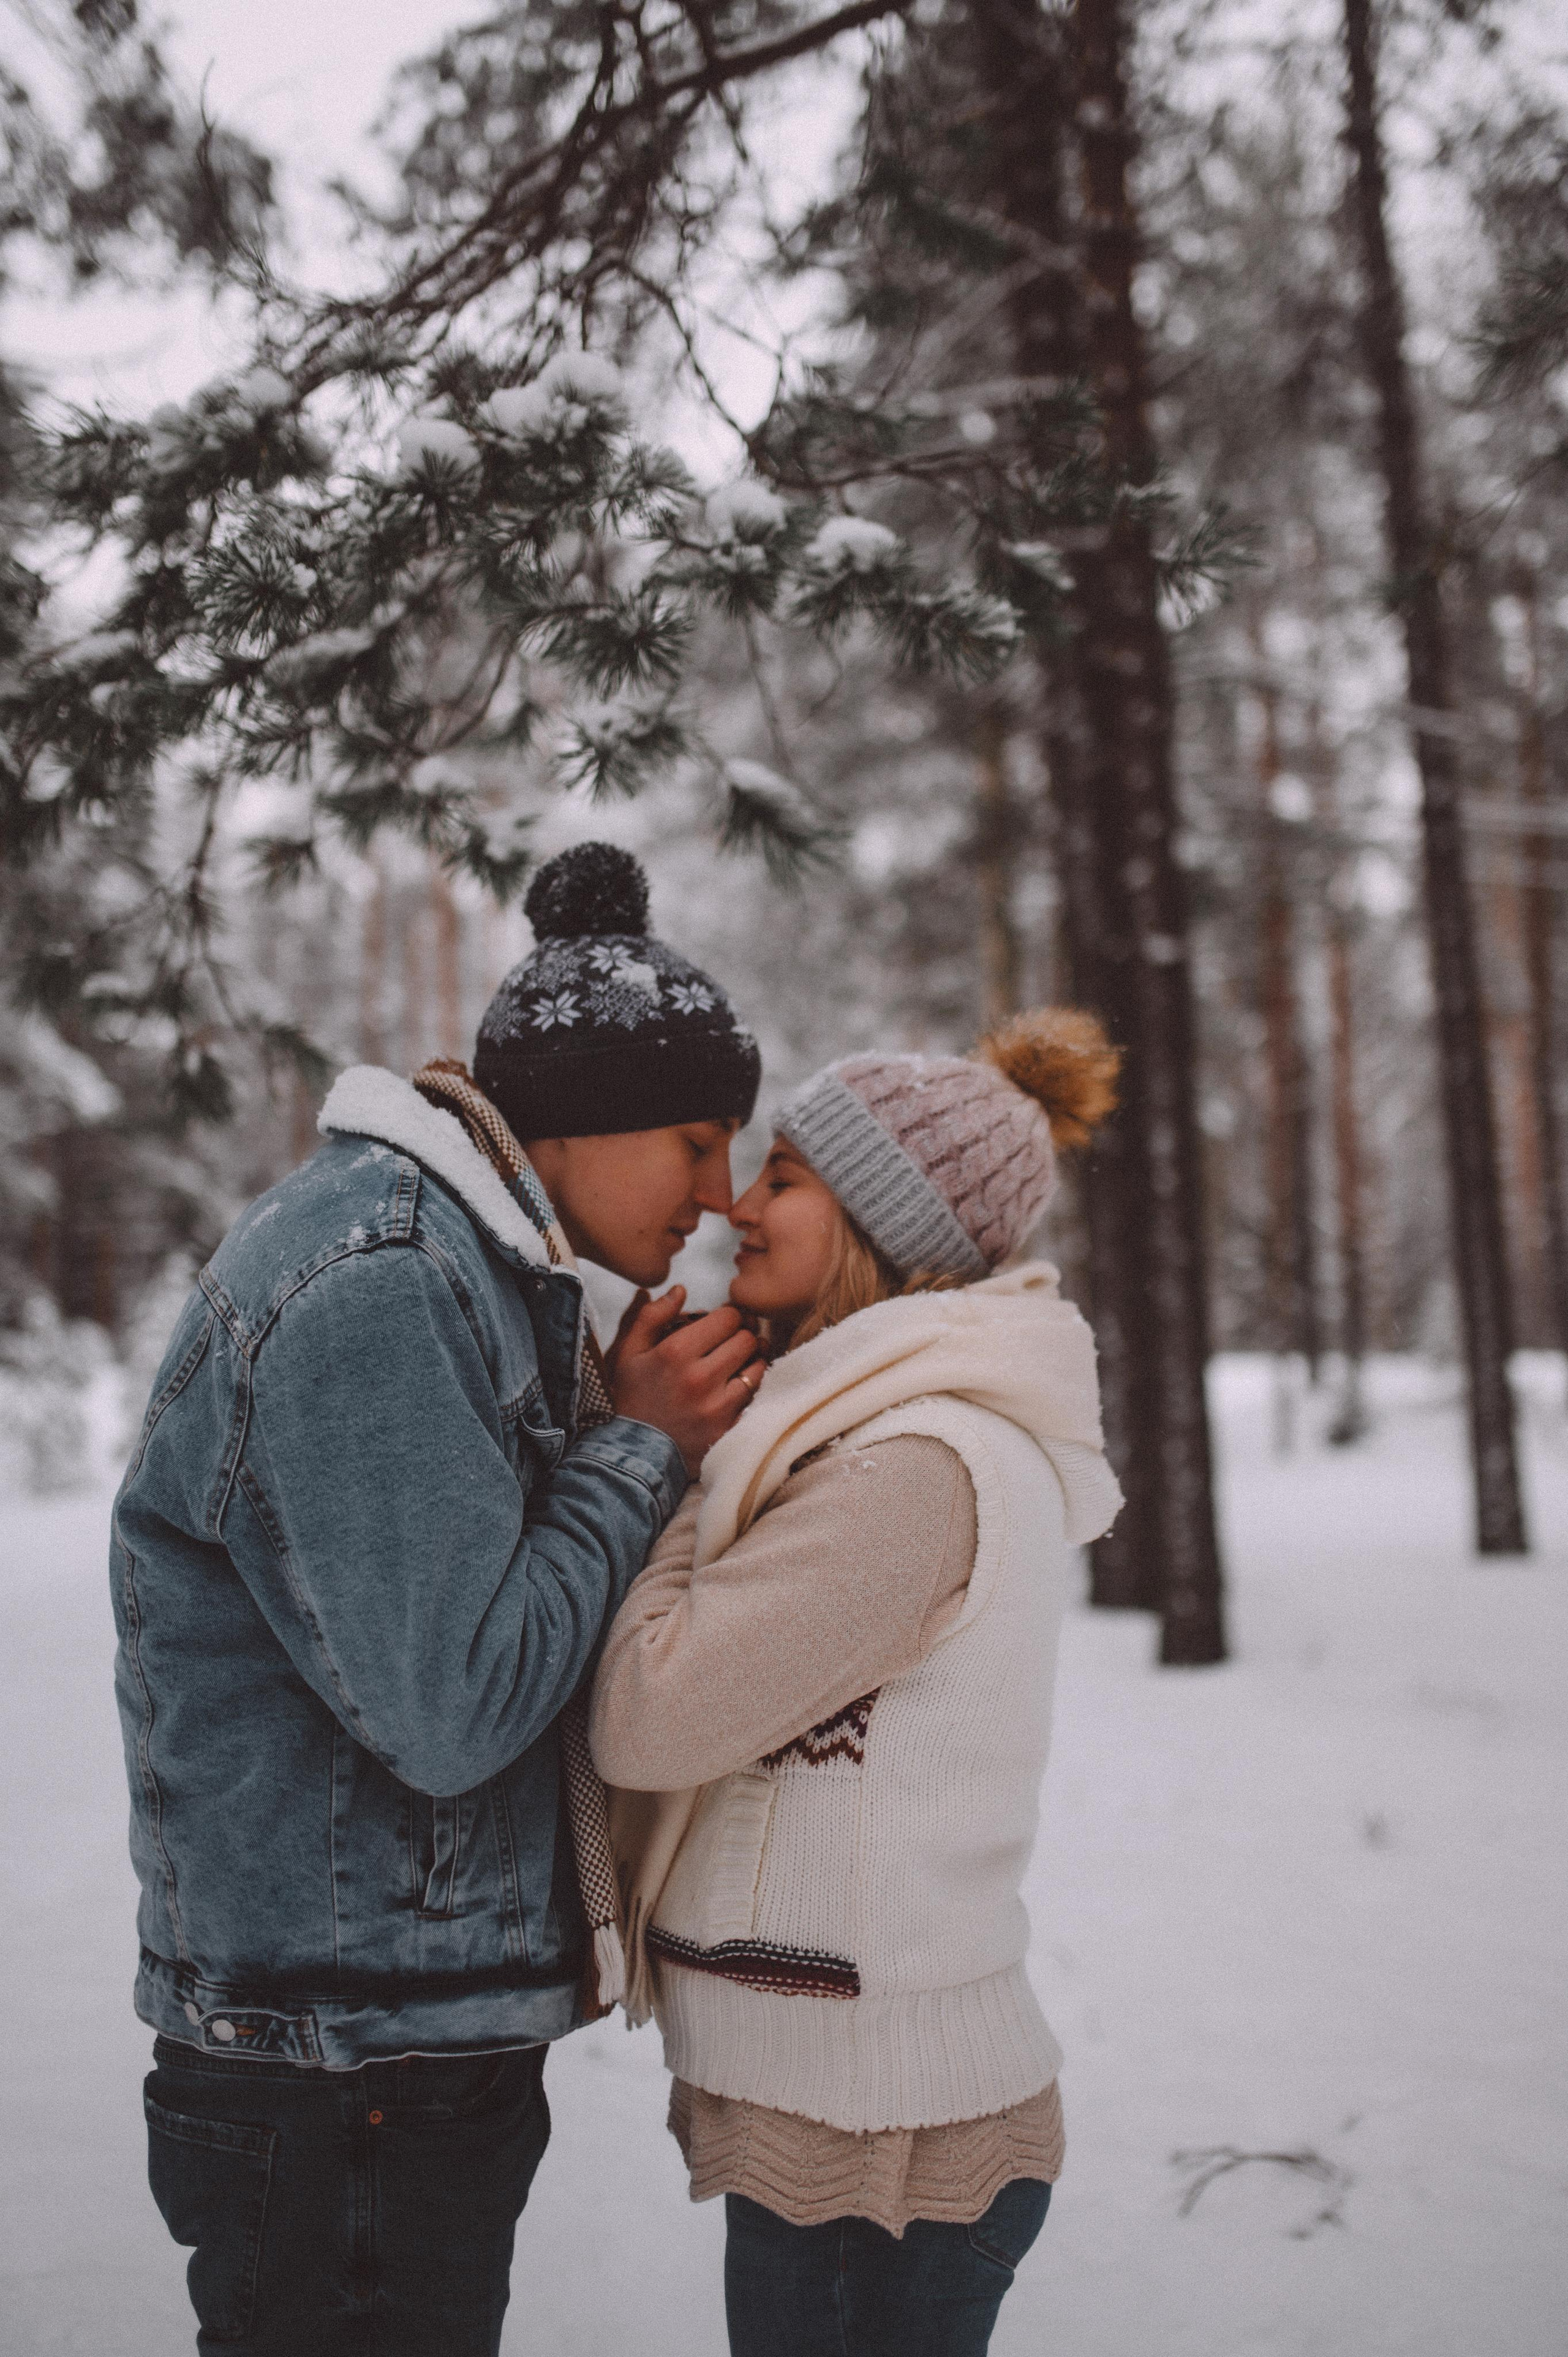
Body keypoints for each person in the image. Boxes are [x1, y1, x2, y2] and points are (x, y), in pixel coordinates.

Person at [111, 841, 763, 2356]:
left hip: (378, 2047)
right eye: (692, 1140)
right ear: (580, 1121)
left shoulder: (457, 1261)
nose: (717, 1194)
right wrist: (635, 1450)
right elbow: (455, 1705)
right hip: (340, 2069)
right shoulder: (382, 1281)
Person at [590, 1010, 1125, 2357]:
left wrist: (664, 1467)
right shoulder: (866, 1431)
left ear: (881, 1221)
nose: (737, 1207)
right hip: (852, 2113)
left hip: (880, 2147)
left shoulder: (910, 1467)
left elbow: (651, 1717)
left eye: (781, 1178)